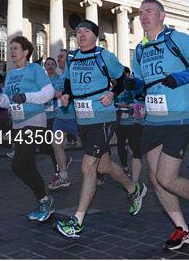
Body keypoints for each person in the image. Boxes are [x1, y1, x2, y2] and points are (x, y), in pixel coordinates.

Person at [124, 0, 189, 250]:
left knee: (167, 178)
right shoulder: (141, 49)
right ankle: (182, 228)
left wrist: (182, 77)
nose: (143, 16)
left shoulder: (176, 39)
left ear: (162, 15)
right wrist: (133, 86)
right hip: (153, 119)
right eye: (141, 12)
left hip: (180, 116)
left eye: (149, 11)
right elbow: (144, 83)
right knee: (155, 179)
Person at [55, 20, 146, 239]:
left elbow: (124, 77)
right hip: (83, 119)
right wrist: (67, 94)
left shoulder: (104, 56)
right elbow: (68, 81)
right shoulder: (73, 57)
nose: (82, 34)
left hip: (103, 118)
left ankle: (77, 221)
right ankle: (134, 189)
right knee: (104, 166)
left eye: (86, 31)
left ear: (95, 35)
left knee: (88, 167)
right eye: (78, 31)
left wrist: (113, 93)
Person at [0, 36, 56, 222]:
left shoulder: (35, 69)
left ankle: (46, 200)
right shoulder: (11, 74)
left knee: (18, 165)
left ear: (26, 51)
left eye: (15, 48)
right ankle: (44, 201)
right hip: (18, 123)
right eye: (10, 48)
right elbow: (7, 101)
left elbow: (48, 93)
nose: (11, 51)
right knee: (27, 165)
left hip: (34, 121)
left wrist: (26, 97)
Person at [49, 49, 76, 190]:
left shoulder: (73, 75)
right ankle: (63, 176)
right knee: (56, 144)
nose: (58, 58)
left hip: (75, 117)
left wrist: (63, 94)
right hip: (61, 116)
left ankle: (101, 170)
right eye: (57, 56)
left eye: (61, 56)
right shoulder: (59, 77)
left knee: (91, 147)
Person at [115, 67, 144, 182]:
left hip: (133, 123)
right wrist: (117, 105)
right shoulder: (116, 91)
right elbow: (114, 103)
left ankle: (135, 168)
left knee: (134, 147)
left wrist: (128, 106)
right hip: (120, 123)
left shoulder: (136, 90)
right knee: (120, 145)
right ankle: (124, 167)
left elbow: (140, 105)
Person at [43, 57, 61, 184]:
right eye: (47, 64)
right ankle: (64, 160)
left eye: (52, 64)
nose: (49, 66)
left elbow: (59, 94)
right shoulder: (42, 80)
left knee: (53, 145)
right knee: (44, 146)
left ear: (55, 66)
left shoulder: (59, 79)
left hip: (55, 116)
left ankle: (58, 171)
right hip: (42, 116)